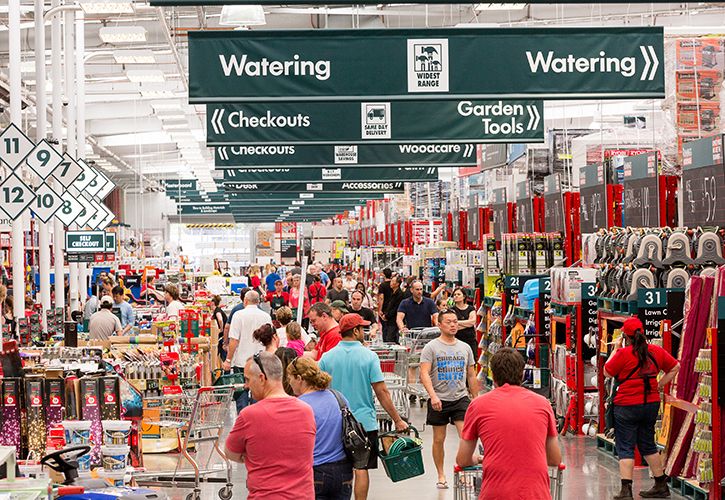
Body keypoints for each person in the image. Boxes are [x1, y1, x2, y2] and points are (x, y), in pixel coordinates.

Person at [319, 314, 409, 500]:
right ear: (355, 331)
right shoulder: (369, 357)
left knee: (339, 466)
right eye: (362, 328)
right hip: (364, 423)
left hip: (336, 424)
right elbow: (382, 391)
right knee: (361, 468)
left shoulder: (327, 358)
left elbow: (319, 388)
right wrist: (397, 420)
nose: (364, 331)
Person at [457, 347, 562, 499]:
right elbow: (554, 459)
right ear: (522, 373)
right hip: (535, 493)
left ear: (493, 375)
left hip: (495, 493)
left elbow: (462, 459)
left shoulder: (478, 405)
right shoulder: (542, 404)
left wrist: (480, 459)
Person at [604, 317, 680, 500]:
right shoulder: (655, 351)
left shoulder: (623, 354)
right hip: (650, 404)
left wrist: (615, 350)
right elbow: (675, 366)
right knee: (647, 444)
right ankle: (661, 484)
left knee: (626, 447)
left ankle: (626, 490)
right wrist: (659, 384)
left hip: (626, 406)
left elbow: (607, 371)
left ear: (625, 336)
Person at [224, 352, 315, 499]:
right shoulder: (307, 411)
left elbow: (230, 453)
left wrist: (254, 455)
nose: (246, 386)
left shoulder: (249, 416)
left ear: (261, 378)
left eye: (247, 379)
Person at [420, 309, 479, 489]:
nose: (453, 325)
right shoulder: (431, 347)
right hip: (439, 399)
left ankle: (462, 470)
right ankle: (441, 474)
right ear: (439, 324)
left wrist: (475, 398)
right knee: (439, 439)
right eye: (449, 322)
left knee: (465, 437)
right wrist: (433, 396)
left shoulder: (465, 347)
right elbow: (424, 373)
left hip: (460, 397)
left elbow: (471, 374)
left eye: (455, 321)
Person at [288, 357, 353, 500]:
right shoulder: (338, 397)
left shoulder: (298, 406)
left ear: (299, 378)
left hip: (315, 471)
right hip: (344, 471)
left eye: (290, 378)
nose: (289, 383)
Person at [223, 291, 273, 411]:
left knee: (241, 396)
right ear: (258, 301)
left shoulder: (238, 315)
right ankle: (257, 421)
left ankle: (243, 421)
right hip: (260, 362)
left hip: (241, 362)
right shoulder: (266, 316)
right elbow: (270, 339)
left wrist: (228, 360)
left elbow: (234, 340)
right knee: (258, 395)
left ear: (245, 301)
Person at [451, 287, 478, 360]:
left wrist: (457, 322)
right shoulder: (451, 310)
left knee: (471, 362)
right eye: (454, 294)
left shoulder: (471, 308)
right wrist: (467, 324)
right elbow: (452, 325)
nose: (456, 296)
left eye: (458, 294)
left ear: (464, 296)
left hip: (470, 341)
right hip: (456, 341)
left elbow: (472, 322)